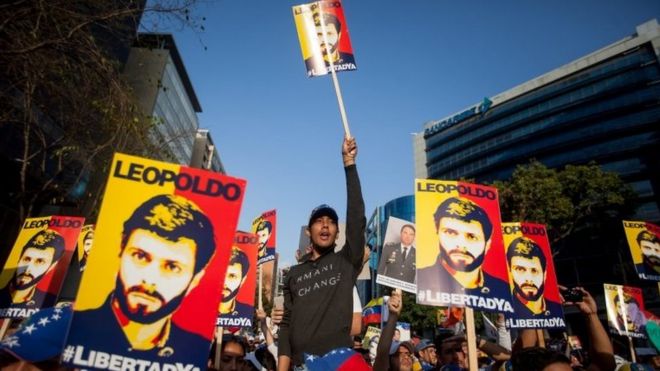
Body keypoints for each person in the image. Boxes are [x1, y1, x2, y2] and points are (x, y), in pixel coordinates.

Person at [66, 194, 215, 361]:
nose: (150, 279)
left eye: (173, 267)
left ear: (195, 280)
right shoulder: (71, 330)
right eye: (140, 256)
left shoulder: (194, 352)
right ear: (120, 252)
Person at [278, 136, 365, 370]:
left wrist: (349, 164)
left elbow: (357, 219)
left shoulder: (346, 262)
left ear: (338, 233)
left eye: (331, 222)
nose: (325, 225)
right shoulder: (293, 274)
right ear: (309, 231)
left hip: (340, 364)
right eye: (319, 221)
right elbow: (286, 326)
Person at [416, 196, 509, 305]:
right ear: (437, 234)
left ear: (487, 244)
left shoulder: (503, 290)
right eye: (450, 233)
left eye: (472, 236)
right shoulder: (418, 280)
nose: (461, 245)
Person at [0, 229, 65, 308]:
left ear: (52, 266)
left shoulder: (50, 304)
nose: (28, 269)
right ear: (19, 258)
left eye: (40, 261)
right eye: (26, 259)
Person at [506, 236, 562, 318]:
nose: (529, 279)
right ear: (510, 271)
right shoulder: (506, 311)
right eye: (520, 269)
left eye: (534, 271)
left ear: (544, 273)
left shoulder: (556, 310)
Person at [304, 12, 356, 77]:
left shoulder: (348, 58)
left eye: (329, 34)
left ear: (339, 35)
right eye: (319, 34)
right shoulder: (311, 63)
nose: (324, 39)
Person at [219, 246, 252, 318]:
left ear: (242, 280)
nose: (224, 282)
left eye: (232, 276)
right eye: (220, 274)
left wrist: (262, 320)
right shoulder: (196, 309)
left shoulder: (246, 312)